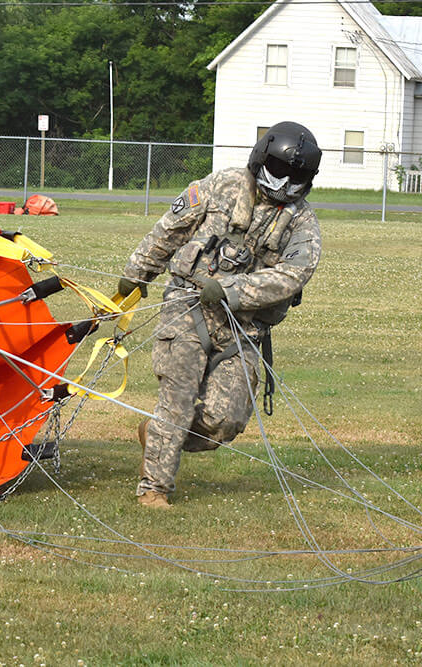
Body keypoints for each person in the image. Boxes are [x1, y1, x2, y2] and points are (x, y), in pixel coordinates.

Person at [116, 121, 323, 509]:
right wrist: (137, 272)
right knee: (176, 400)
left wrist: (232, 290)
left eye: (295, 176)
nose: (283, 183)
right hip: (187, 306)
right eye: (278, 171)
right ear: (261, 159)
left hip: (243, 327)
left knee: (224, 420)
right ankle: (154, 489)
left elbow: (293, 275)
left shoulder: (302, 223)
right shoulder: (218, 186)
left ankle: (156, 433)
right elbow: (169, 229)